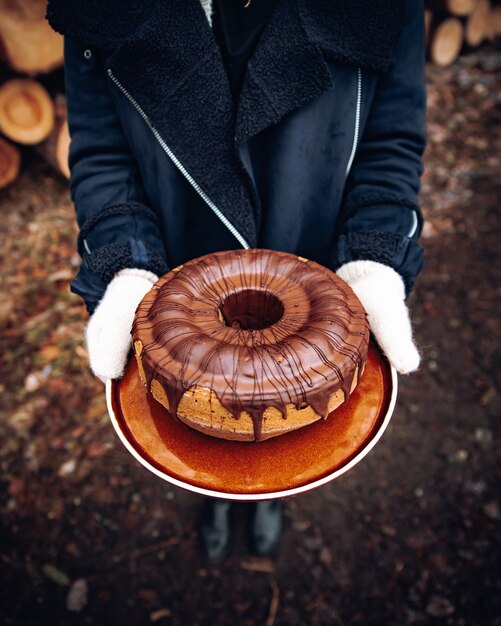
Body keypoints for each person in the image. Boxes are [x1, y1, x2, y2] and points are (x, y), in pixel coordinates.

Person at [46, 0, 427, 562]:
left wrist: (371, 256)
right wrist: (125, 262)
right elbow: (102, 151)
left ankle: (269, 488)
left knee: (285, 420)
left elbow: (390, 141)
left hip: (315, 270)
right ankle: (218, 486)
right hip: (176, 273)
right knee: (207, 419)